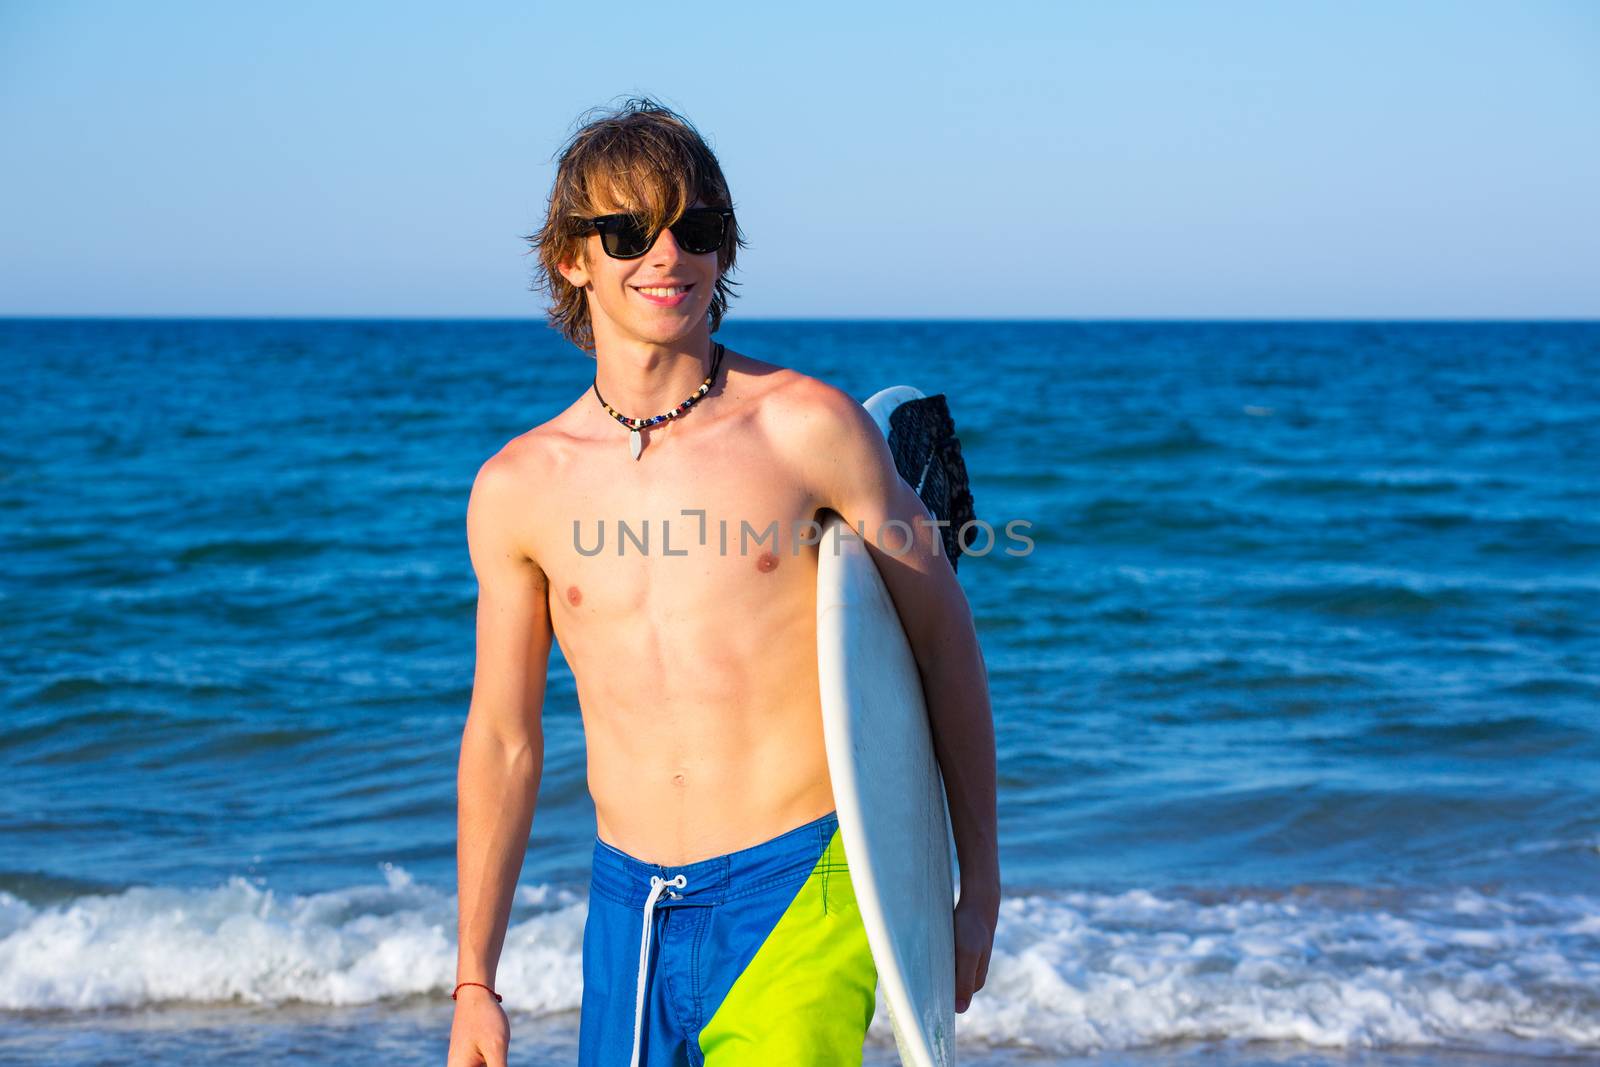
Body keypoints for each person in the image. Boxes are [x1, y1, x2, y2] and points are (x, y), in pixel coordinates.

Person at [446, 97, 999, 1067]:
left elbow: (940, 638)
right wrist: (474, 981)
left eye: (694, 228)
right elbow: (503, 737)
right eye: (626, 231)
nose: (666, 254)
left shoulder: (804, 428)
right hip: (631, 904)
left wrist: (975, 882)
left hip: (801, 885)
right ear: (571, 259)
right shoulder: (517, 487)